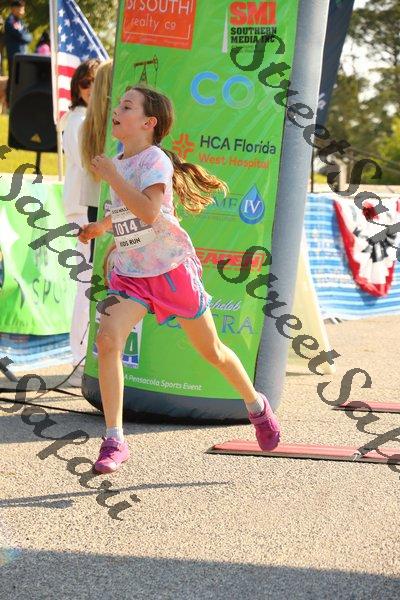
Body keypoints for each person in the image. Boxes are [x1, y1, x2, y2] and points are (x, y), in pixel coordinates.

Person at [79, 85, 281, 474]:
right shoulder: (118, 162)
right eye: (118, 104)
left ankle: (256, 405)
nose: (117, 109)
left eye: (127, 106)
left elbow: (149, 211)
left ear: (148, 122)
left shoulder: (154, 160)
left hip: (170, 271)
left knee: (213, 351)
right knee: (107, 341)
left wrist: (113, 176)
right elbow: (124, 212)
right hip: (131, 276)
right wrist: (99, 228)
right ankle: (115, 439)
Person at [62, 58, 100, 387]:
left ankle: (87, 357)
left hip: (95, 209)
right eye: (85, 82)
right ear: (77, 87)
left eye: (95, 82)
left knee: (92, 284)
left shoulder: (92, 118)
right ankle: (78, 360)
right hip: (83, 211)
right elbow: (88, 162)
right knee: (86, 284)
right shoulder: (77, 119)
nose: (89, 88)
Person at [79, 59, 113, 262]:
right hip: (115, 202)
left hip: (96, 201)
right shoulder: (120, 122)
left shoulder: (87, 124)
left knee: (98, 264)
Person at [4, 0, 32, 105]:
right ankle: (9, 102)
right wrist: (24, 36)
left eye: (23, 7)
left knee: (22, 79)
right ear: (13, 8)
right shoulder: (9, 21)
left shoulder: (21, 22)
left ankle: (19, 102)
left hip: (23, 55)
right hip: (14, 55)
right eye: (19, 7)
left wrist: (24, 36)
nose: (22, 10)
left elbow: (29, 37)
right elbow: (21, 36)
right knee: (13, 78)